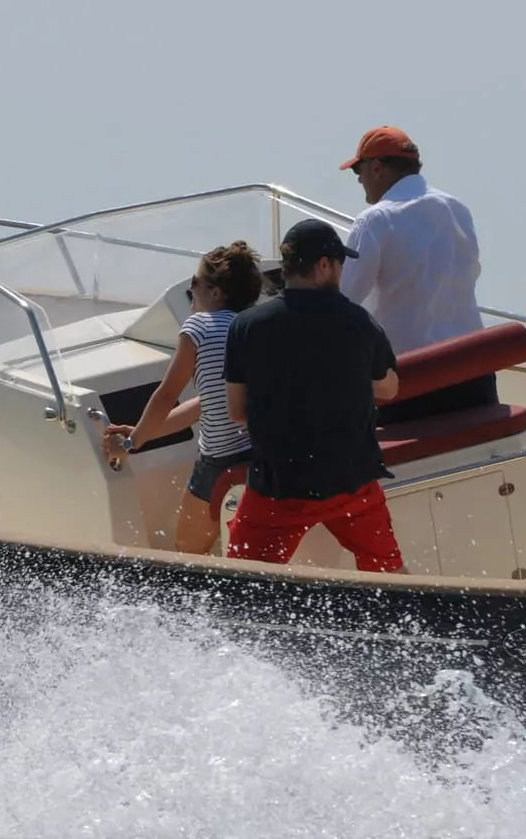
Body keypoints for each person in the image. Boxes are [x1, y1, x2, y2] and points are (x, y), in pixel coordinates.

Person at [223, 218, 405, 573]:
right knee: (388, 573)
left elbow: (237, 412)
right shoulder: (359, 323)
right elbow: (389, 388)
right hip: (351, 485)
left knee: (242, 583)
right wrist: (344, 380)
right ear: (324, 265)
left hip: (278, 487)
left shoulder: (245, 326)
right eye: (340, 262)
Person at [102, 241, 265, 554]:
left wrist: (130, 445)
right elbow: (207, 403)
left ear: (215, 293)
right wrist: (140, 434)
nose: (191, 289)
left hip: (220, 463)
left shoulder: (199, 326)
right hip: (260, 456)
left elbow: (166, 395)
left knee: (188, 554)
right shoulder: (253, 328)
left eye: (195, 282)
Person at [335, 125, 493, 424]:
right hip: (475, 375)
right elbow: (471, 271)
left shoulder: (374, 220)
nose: (358, 179)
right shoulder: (457, 208)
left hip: (414, 383)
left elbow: (343, 302)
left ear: (377, 168)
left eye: (358, 170)